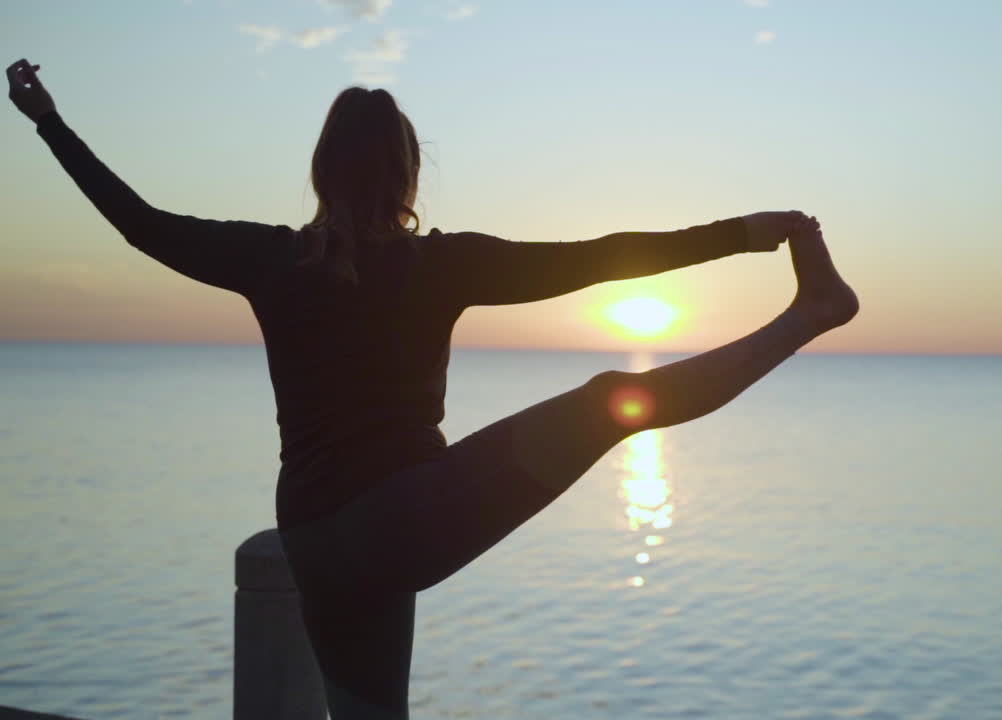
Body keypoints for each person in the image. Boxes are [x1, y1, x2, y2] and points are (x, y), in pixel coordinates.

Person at [8, 58, 858, 718]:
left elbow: (139, 222)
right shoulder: (440, 262)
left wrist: (48, 120)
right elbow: (605, 257)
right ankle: (808, 315)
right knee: (610, 401)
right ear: (409, 173)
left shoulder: (274, 257)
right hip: (403, 523)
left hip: (314, 542)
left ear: (320, 170)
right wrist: (744, 233)